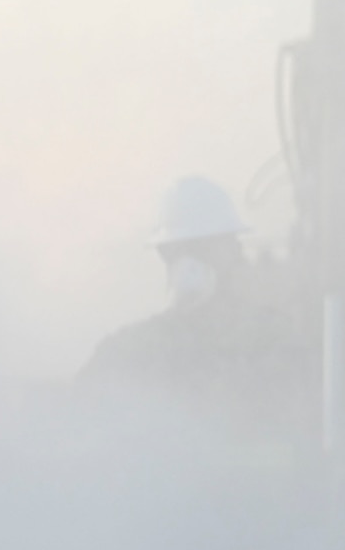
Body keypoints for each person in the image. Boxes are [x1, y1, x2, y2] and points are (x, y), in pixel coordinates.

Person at [78, 176, 314, 427]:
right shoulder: (126, 352)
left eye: (206, 247)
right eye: (180, 250)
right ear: (167, 255)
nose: (189, 261)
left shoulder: (272, 341)